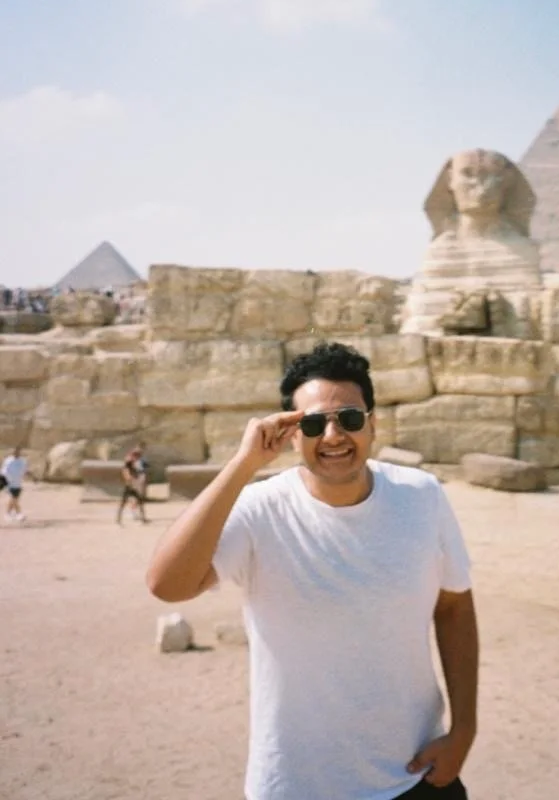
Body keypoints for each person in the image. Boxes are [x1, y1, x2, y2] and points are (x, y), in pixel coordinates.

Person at [147, 342, 478, 800]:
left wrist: (464, 731)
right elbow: (167, 584)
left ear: (373, 424)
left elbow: (455, 607)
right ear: (291, 433)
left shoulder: (421, 495)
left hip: (416, 776)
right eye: (313, 424)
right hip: (297, 785)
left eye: (350, 419)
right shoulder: (260, 510)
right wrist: (243, 465)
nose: (334, 436)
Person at [116, 444, 149, 525]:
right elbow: (125, 471)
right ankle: (119, 518)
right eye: (136, 454)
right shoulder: (129, 463)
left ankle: (143, 518)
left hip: (133, 486)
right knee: (123, 503)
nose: (137, 456)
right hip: (129, 486)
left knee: (139, 502)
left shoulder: (136, 463)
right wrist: (129, 478)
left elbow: (141, 471)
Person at [2, 446, 27, 523]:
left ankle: (11, 514)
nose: (16, 453)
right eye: (15, 451)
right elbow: (4, 471)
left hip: (18, 483)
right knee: (13, 498)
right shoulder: (9, 461)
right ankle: (18, 514)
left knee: (15, 499)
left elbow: (24, 470)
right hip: (10, 483)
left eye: (18, 451)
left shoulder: (22, 461)